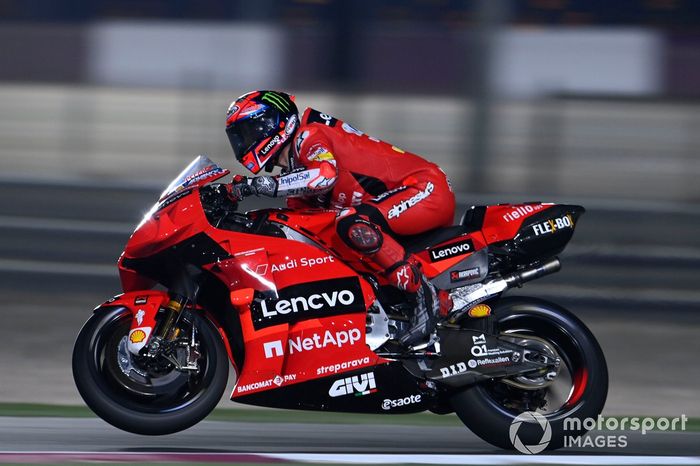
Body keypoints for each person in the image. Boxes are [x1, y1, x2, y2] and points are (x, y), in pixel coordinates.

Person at [225, 90, 455, 348]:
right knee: (333, 239)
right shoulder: (296, 178)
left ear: (272, 123)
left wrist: (260, 186)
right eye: (239, 138)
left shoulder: (308, 135)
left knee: (350, 222)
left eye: (247, 132)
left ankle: (423, 294)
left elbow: (324, 175)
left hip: (426, 189)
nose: (244, 143)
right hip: (392, 207)